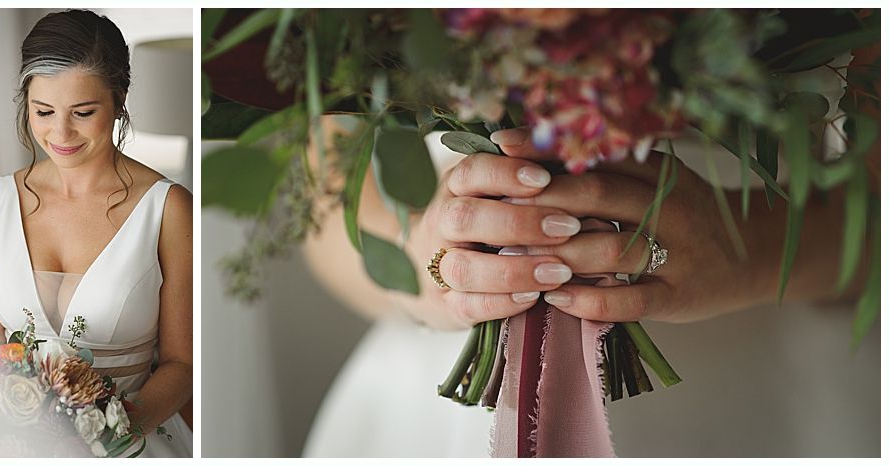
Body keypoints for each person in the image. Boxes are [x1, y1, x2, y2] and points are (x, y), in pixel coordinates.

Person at [301, 72, 879, 455]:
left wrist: (753, 249)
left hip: (767, 387)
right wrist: (425, 274)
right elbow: (322, 209)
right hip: (429, 409)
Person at [0, 10, 193, 457]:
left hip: (130, 445)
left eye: (83, 112)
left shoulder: (167, 209)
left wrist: (106, 434)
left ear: (119, 99)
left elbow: (181, 364)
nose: (61, 133)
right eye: (43, 111)